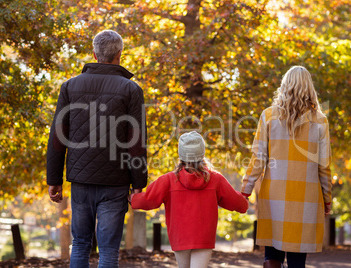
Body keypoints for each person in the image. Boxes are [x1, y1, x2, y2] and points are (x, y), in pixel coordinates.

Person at [46, 30, 147, 268]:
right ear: (119, 55)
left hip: (81, 180)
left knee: (80, 244)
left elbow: (58, 137)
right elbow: (136, 142)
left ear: (94, 53)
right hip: (116, 182)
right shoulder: (131, 90)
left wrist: (54, 179)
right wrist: (139, 183)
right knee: (109, 251)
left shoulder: (70, 87)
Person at [241, 66, 332, 268]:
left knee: (272, 256)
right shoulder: (320, 121)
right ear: (310, 88)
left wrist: (245, 190)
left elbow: (258, 159)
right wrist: (327, 199)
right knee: (297, 260)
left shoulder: (268, 116)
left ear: (284, 86)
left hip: (275, 197)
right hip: (306, 197)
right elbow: (324, 167)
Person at [130, 131, 248, 268]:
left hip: (180, 238)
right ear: (202, 153)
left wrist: (132, 198)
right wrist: (244, 200)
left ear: (181, 156)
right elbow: (237, 203)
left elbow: (147, 199)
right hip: (204, 237)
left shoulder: (168, 180)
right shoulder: (215, 179)